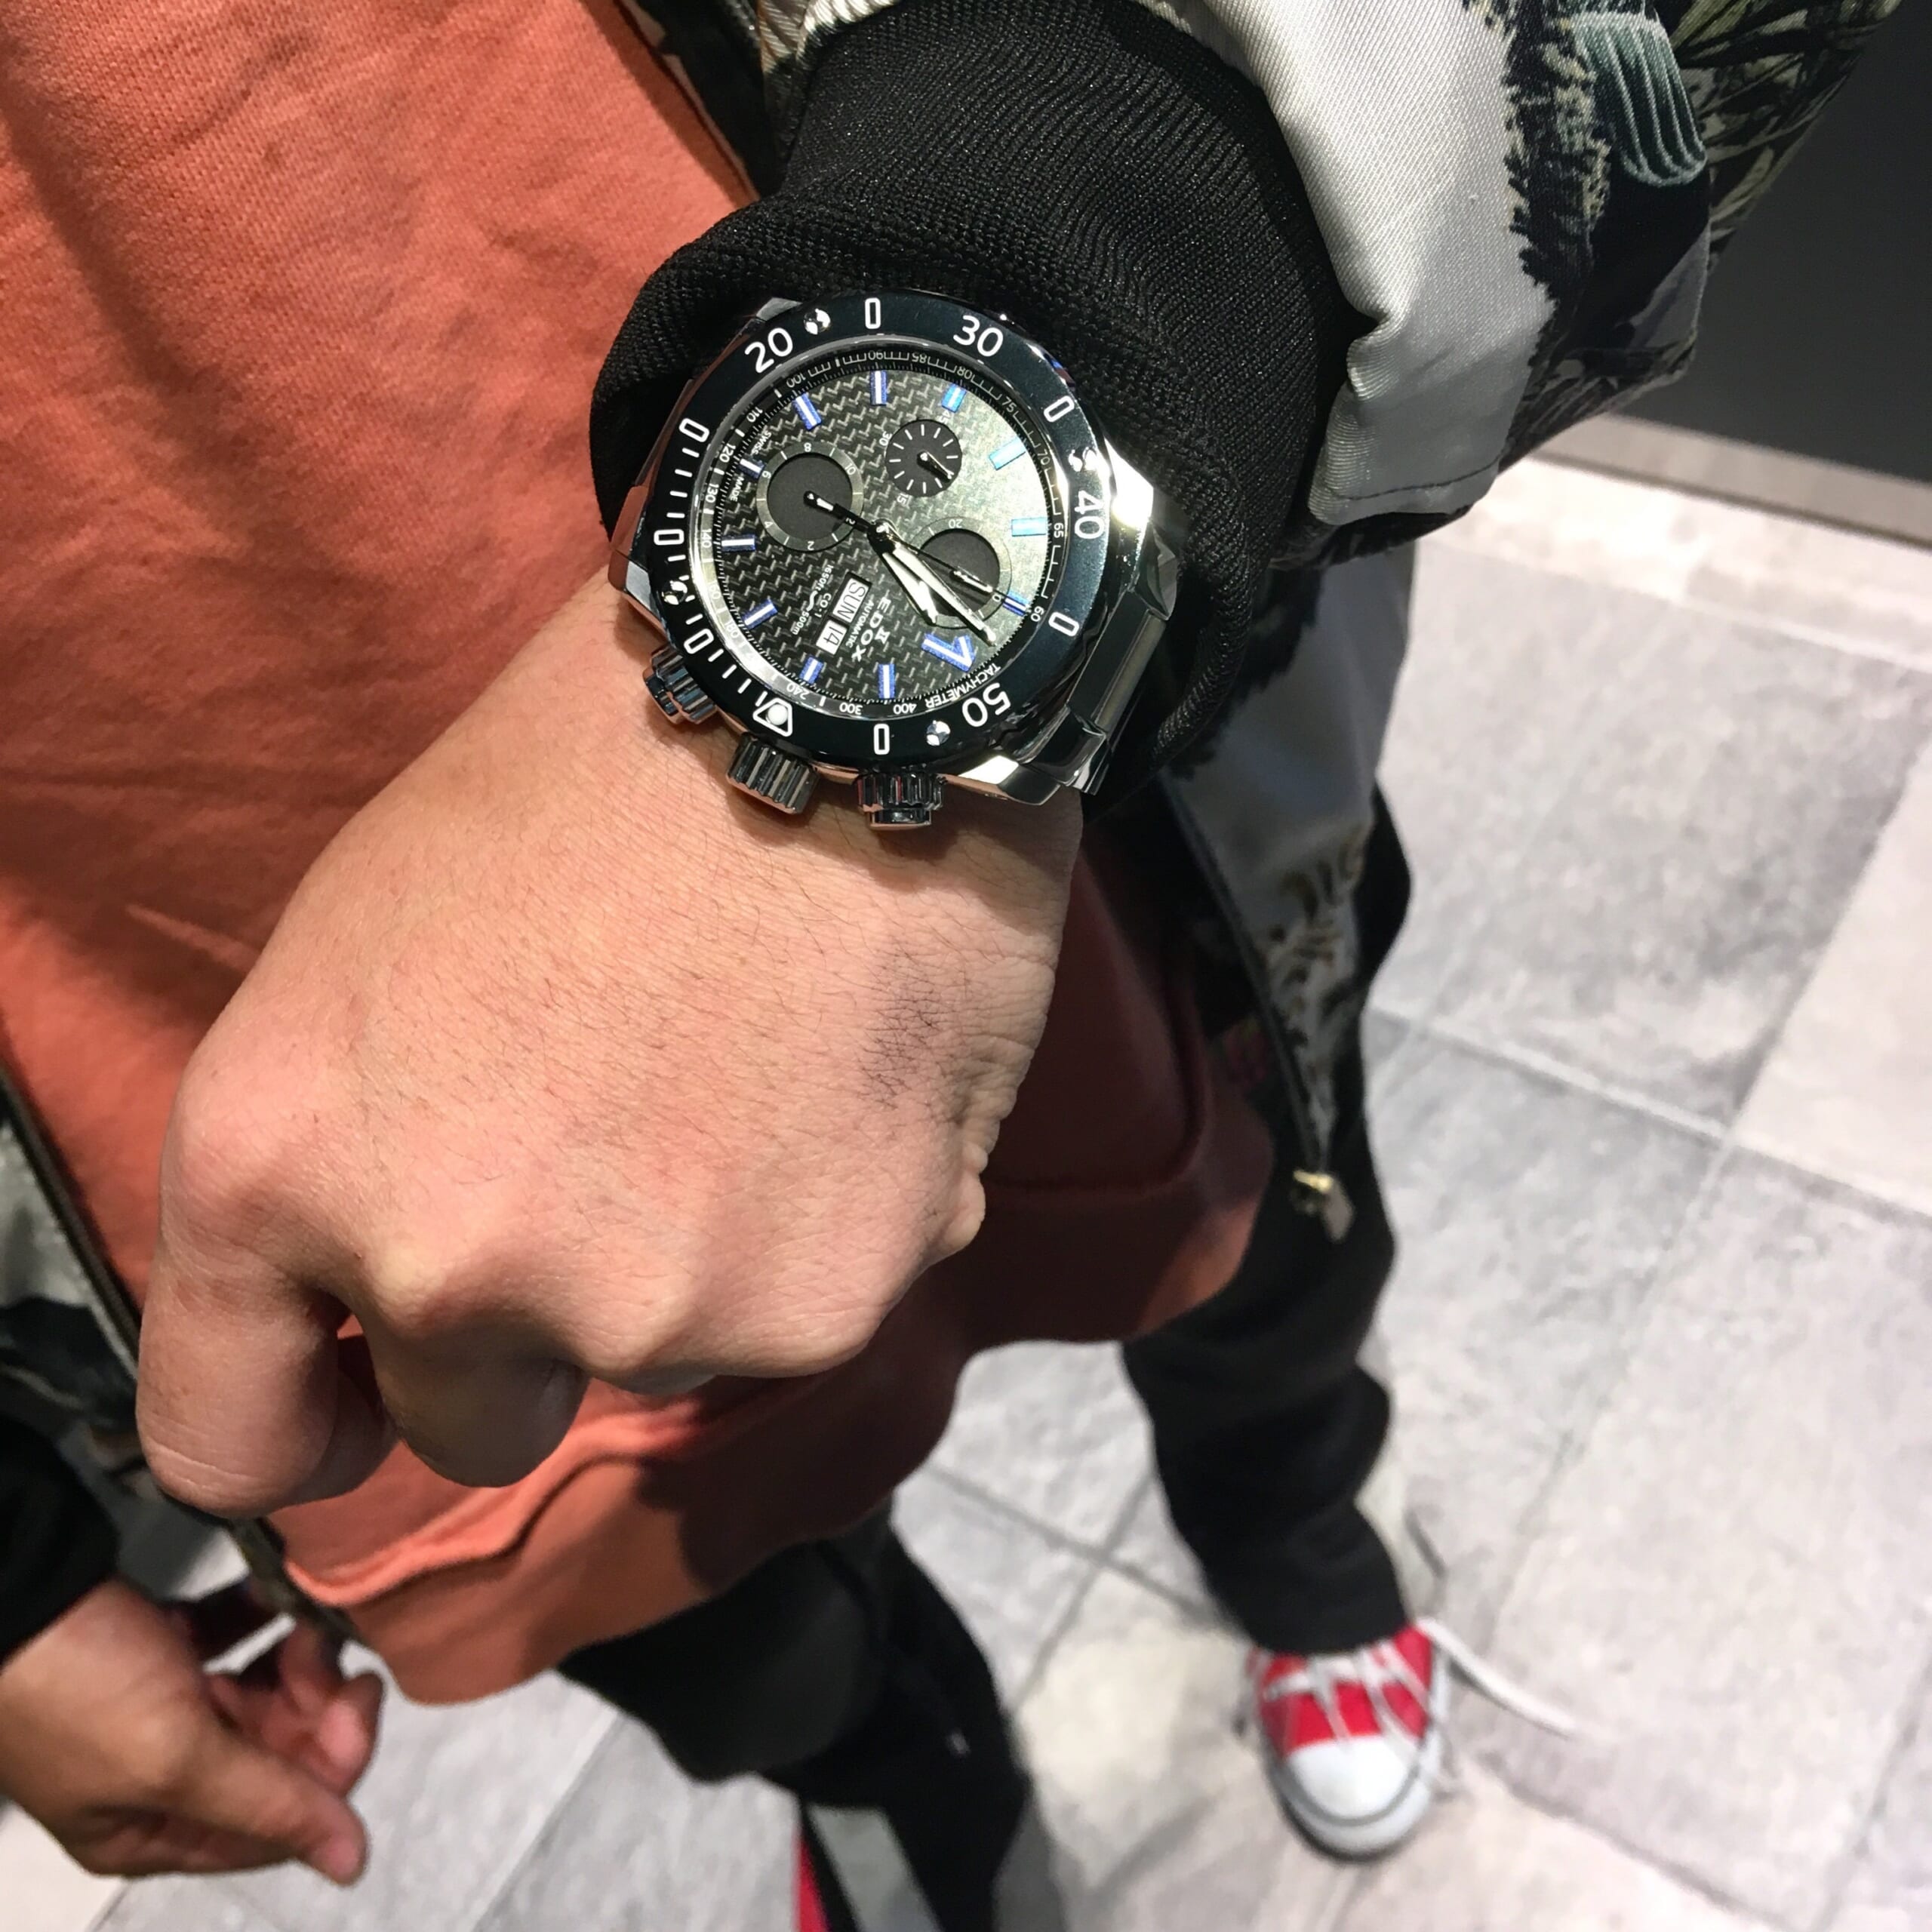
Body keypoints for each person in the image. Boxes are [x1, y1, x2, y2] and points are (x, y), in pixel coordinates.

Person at [0, 0, 1897, 1924]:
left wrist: (1109, 233)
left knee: (1258, 1226)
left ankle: (1303, 1546)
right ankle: (920, 1788)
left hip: (1082, 646)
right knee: (691, 1593)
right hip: (201, 1088)